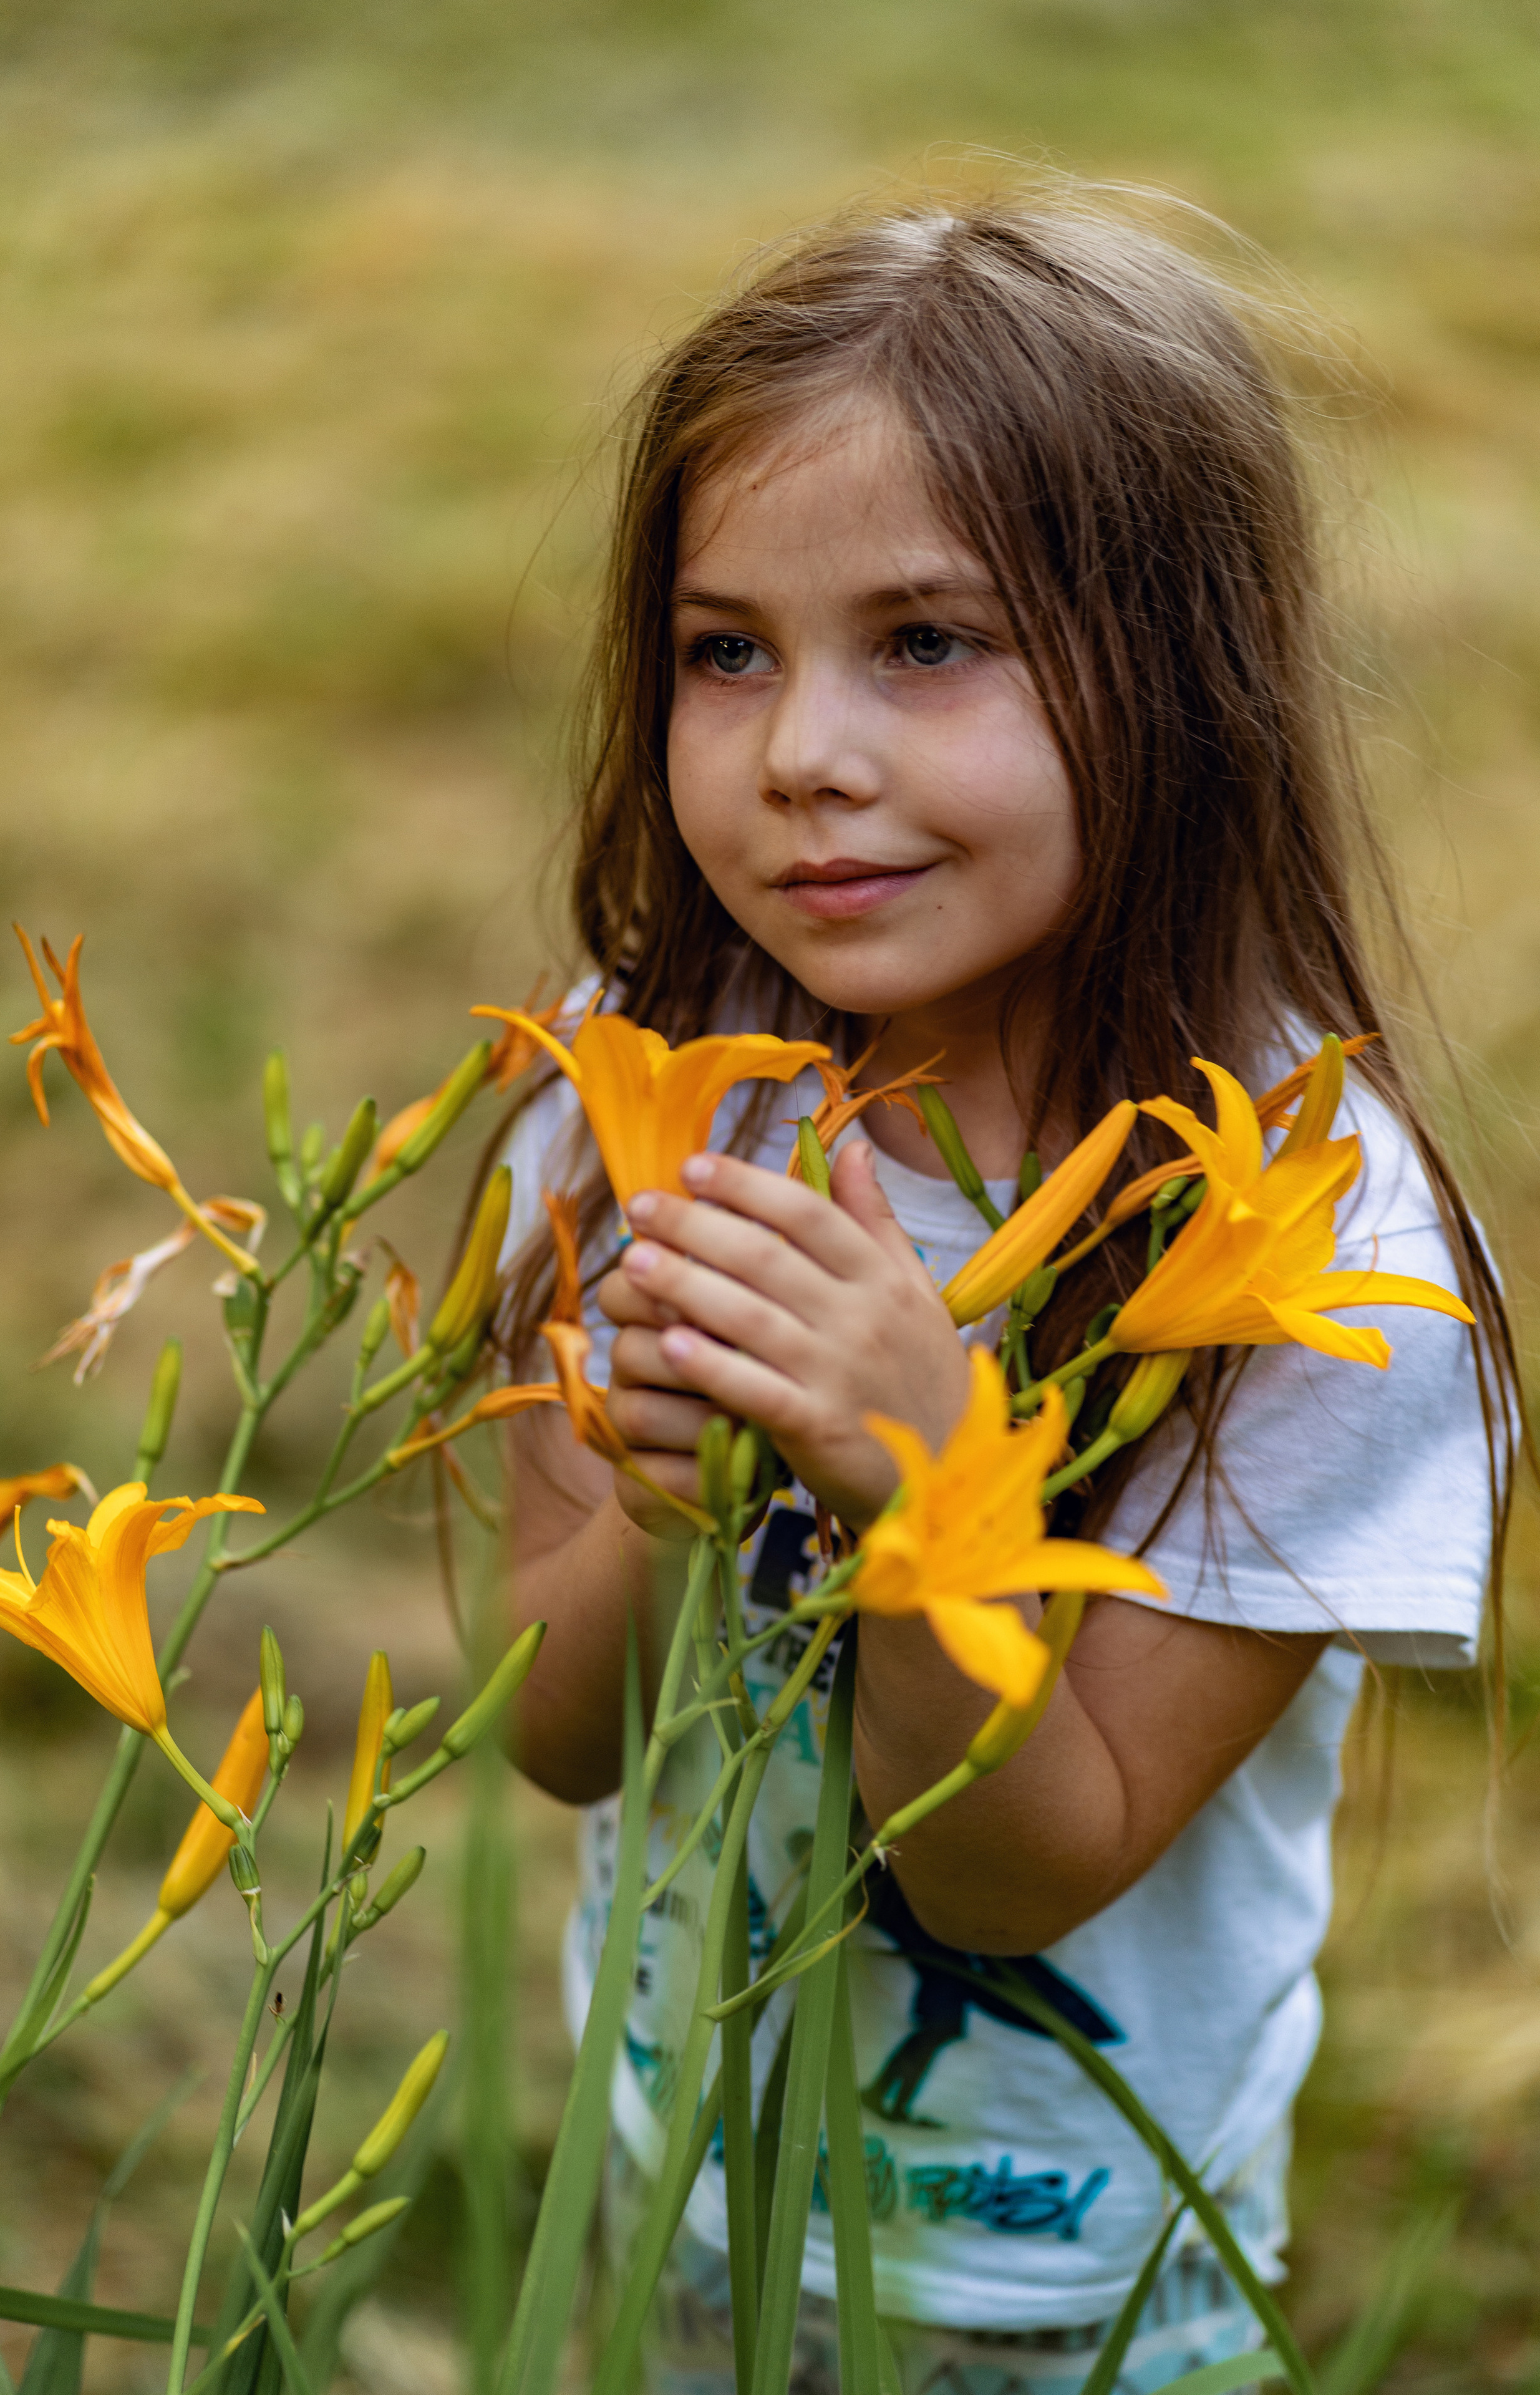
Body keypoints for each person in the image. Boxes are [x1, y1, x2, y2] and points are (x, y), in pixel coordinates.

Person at [481, 196, 1519, 2393]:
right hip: (668, 2165)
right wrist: (652, 1501)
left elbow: (1013, 1882)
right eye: (726, 649)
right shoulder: (649, 1079)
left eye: (928, 643)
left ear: (1184, 675)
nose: (801, 758)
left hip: (1062, 2296)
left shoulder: (1328, 1241)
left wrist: (926, 1483)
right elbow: (552, 1734)